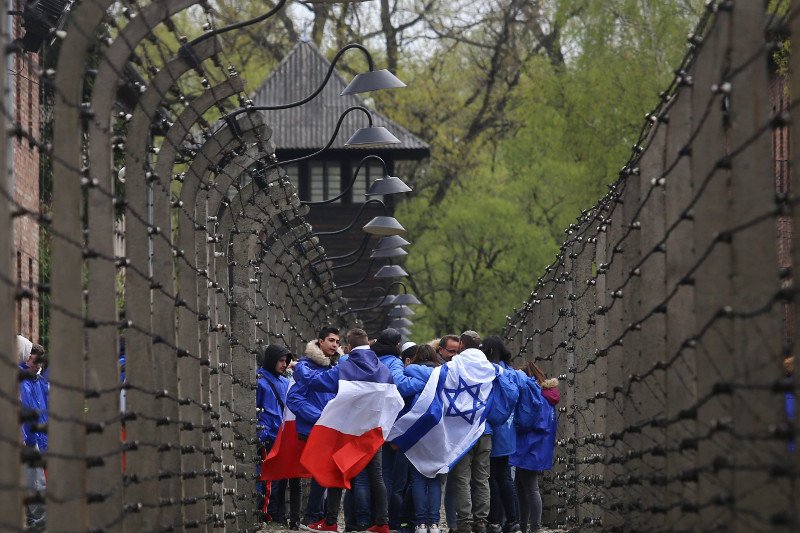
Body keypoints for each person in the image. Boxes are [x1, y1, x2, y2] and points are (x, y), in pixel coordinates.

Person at [299, 328, 400, 533]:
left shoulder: (346, 368)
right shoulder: (383, 370)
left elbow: (314, 381)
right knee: (376, 478)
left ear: (348, 347)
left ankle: (330, 522)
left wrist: (300, 366)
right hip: (371, 433)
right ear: (368, 344)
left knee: (337, 471)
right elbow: (394, 400)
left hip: (346, 432)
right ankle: (382, 523)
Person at [447, 331, 518, 533]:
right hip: (485, 429)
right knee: (482, 478)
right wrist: (496, 416)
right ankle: (481, 521)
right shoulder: (491, 368)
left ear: (461, 344)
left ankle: (464, 522)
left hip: (462, 431)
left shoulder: (454, 365)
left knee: (462, 478)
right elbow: (512, 392)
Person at [288, 326, 341, 526]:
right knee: (321, 471)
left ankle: (320, 516)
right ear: (320, 341)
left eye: (337, 341)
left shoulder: (336, 367)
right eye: (331, 340)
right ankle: (313, 516)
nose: (335, 345)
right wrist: (320, 417)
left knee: (327, 472)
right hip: (316, 428)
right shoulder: (307, 367)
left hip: (333, 427)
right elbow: (294, 398)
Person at [372, 328, 418, 531]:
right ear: (397, 345)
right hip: (394, 426)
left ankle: (374, 518)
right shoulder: (394, 362)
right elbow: (402, 386)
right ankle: (393, 520)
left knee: (378, 477)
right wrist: (423, 382)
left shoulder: (372, 360)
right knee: (397, 481)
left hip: (373, 422)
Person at [256, 344, 301, 529]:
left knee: (280, 477)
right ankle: (267, 511)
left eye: (286, 361)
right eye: (280, 360)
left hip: (282, 435)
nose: (284, 364)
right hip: (268, 435)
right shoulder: (260, 381)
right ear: (271, 360)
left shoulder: (283, 381)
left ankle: (277, 513)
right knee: (268, 477)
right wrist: (262, 433)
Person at [510, 362, 559, 533]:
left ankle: (534, 527)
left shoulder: (536, 396)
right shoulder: (547, 396)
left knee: (530, 489)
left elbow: (530, 422)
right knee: (522, 487)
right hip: (538, 446)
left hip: (529, 446)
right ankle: (525, 526)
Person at [481, 337, 522, 533]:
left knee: (491, 477)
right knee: (505, 477)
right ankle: (513, 520)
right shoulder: (511, 372)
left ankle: (495, 520)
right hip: (509, 430)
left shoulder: (487, 371)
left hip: (491, 428)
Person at [403, 344, 443, 533]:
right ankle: (434, 523)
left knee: (417, 478)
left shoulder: (410, 372)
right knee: (434, 477)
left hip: (416, 428)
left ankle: (420, 524)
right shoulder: (443, 374)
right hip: (438, 429)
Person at [18, 335, 47, 531]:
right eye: (35, 361)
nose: (38, 366)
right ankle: (39, 524)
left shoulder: (39, 381)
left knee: (33, 483)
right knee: (36, 484)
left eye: (40, 363)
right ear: (27, 358)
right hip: (27, 440)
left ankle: (33, 522)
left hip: (37, 439)